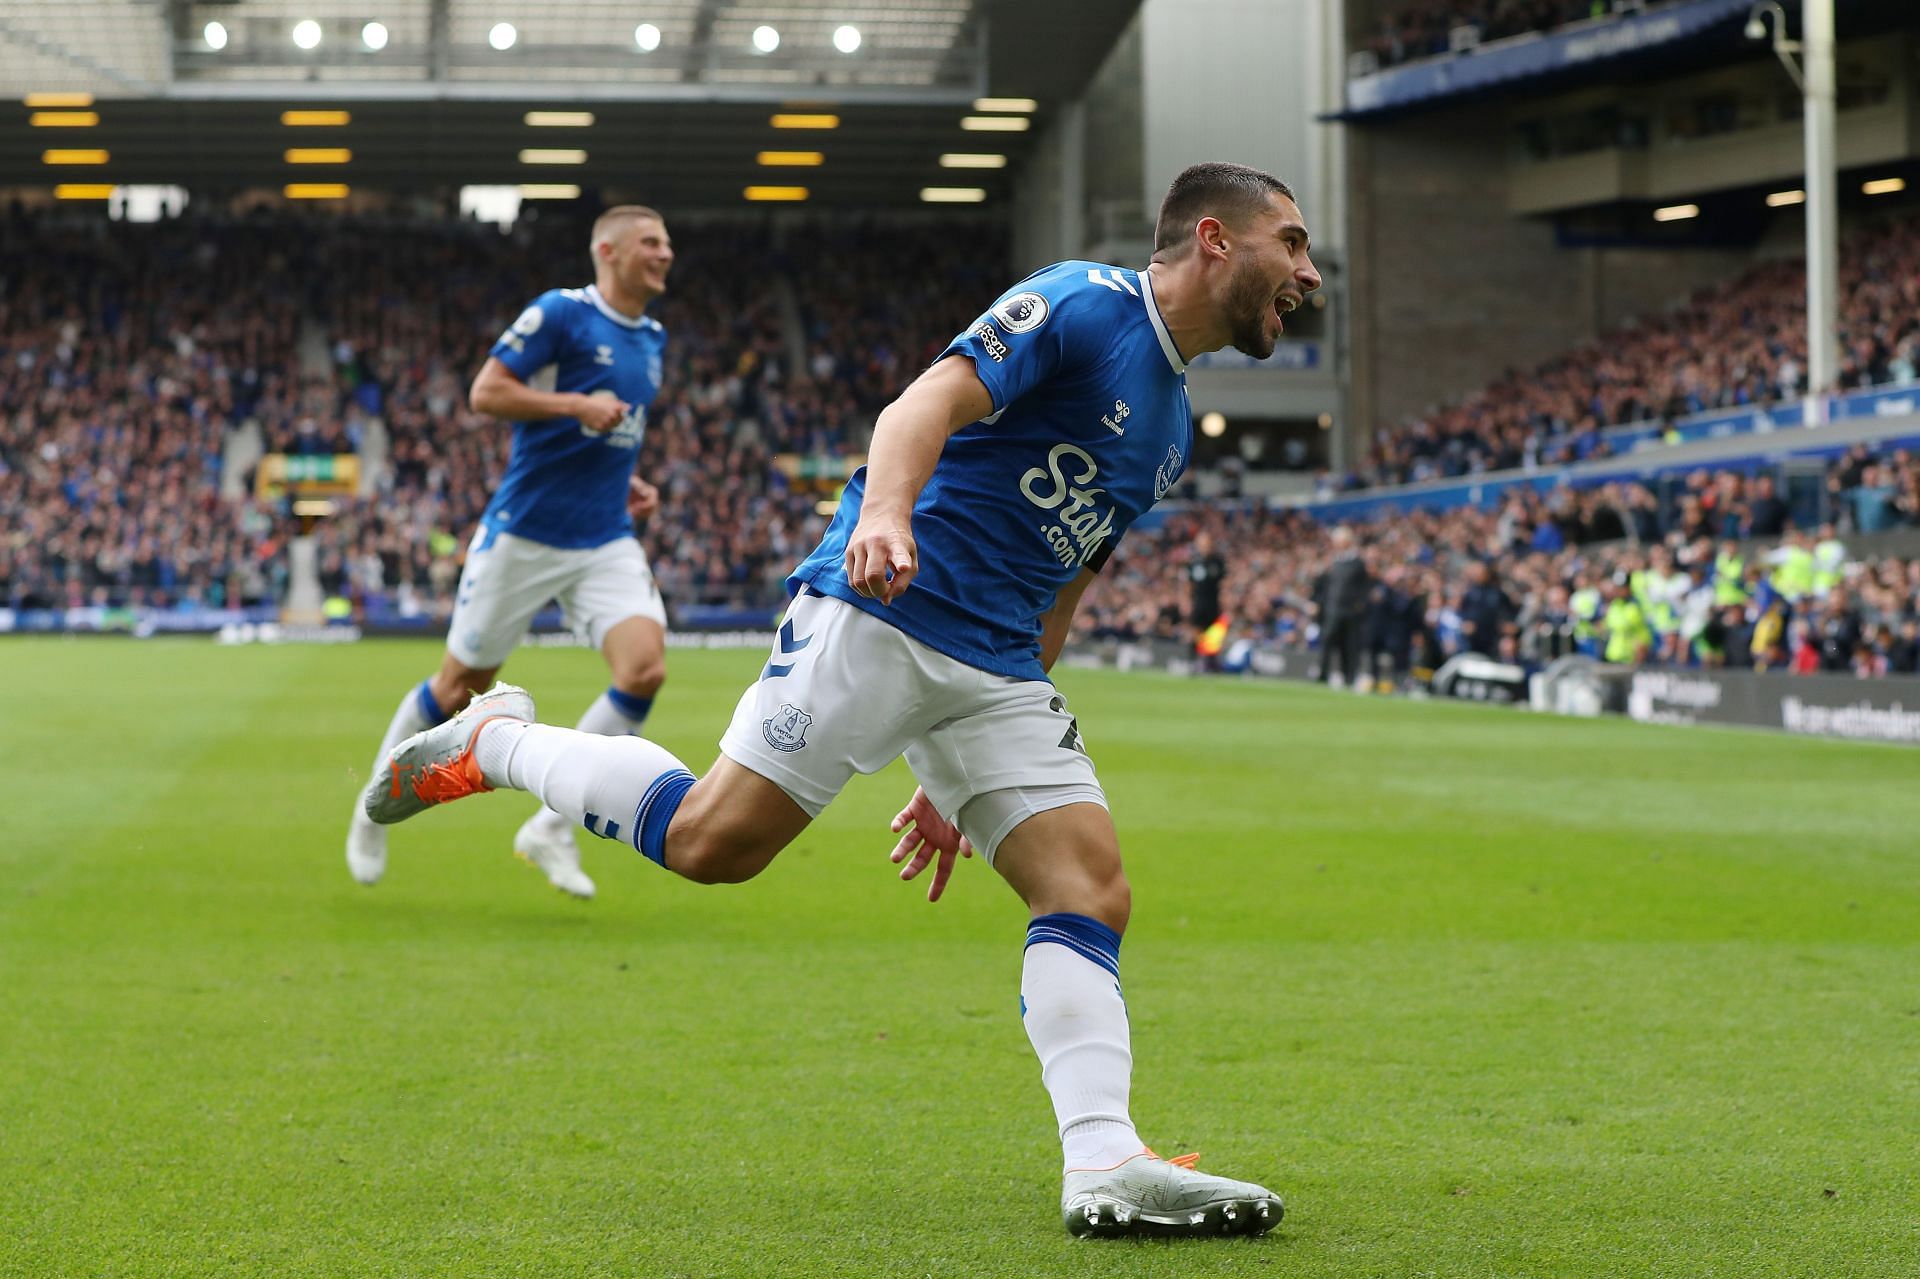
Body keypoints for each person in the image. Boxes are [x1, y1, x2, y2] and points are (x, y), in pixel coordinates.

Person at [363, 162, 1320, 1238]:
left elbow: (1070, 577)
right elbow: (922, 403)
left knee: (1090, 890)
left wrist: (959, 779)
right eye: (1292, 242)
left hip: (1000, 666)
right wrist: (888, 517)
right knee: (714, 841)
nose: (1308, 271)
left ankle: (1104, 1158)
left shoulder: (1174, 426)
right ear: (1214, 238)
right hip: (890, 604)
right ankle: (496, 738)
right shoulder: (1087, 304)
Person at [343, 205, 676, 899]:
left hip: (604, 535)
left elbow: (617, 431)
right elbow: (486, 391)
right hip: (524, 534)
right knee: (457, 686)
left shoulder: (651, 336)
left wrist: (630, 479)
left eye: (667, 242)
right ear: (607, 250)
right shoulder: (561, 312)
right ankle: (373, 809)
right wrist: (574, 405)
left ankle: (552, 828)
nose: (666, 252)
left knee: (644, 669)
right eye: (651, 242)